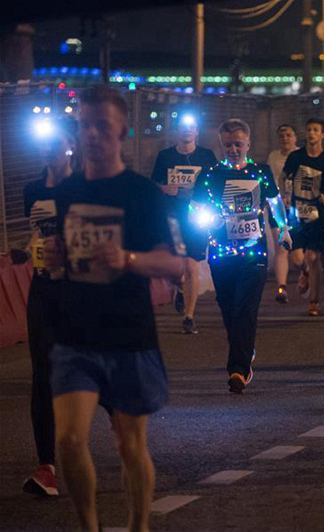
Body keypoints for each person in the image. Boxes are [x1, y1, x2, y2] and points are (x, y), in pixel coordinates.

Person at [43, 85, 185, 531]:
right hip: (75, 335)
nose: (92, 135)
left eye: (101, 126)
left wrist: (128, 259)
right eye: (84, 126)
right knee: (68, 438)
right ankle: (90, 526)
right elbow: (56, 257)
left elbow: (175, 263)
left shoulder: (142, 193)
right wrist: (54, 260)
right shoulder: (65, 192)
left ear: (122, 129)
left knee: (129, 444)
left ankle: (139, 523)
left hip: (128, 335)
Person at [198, 118, 291, 393]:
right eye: (228, 145)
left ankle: (238, 369)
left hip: (254, 253)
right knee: (228, 308)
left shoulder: (259, 172)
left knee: (245, 308)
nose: (233, 149)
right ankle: (245, 348)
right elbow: (194, 208)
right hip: (221, 252)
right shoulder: (211, 175)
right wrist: (206, 221)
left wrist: (284, 229)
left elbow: (275, 204)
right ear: (221, 144)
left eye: (238, 144)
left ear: (248, 143)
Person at [22, 116, 78, 497]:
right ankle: (47, 468)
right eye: (43, 144)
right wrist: (24, 252)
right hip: (43, 289)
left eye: (54, 143)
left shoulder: (85, 187)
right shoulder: (31, 189)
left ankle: (125, 425)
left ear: (69, 147)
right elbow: (35, 236)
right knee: (42, 374)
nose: (48, 150)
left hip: (80, 292)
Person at [150, 114, 217, 334]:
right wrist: (164, 189)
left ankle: (189, 316)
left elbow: (216, 185)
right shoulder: (165, 156)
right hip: (171, 218)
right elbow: (154, 185)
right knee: (174, 268)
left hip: (196, 219)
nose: (187, 131)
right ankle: (179, 288)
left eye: (191, 127)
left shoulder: (207, 157)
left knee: (191, 265)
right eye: (183, 127)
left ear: (197, 131)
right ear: (177, 132)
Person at [281, 118, 324, 316]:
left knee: (313, 257)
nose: (312, 133)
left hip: (318, 214)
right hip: (296, 213)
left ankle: (314, 301)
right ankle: (304, 273)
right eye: (309, 130)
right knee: (298, 258)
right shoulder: (296, 157)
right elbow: (284, 177)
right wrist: (285, 195)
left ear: (322, 134)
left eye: (316, 130)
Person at [267, 124, 298, 303]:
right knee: (281, 247)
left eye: (288, 135)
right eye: (281, 136)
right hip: (277, 208)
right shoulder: (273, 156)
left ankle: (306, 271)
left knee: (298, 252)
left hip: (298, 207)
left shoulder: (301, 155)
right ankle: (282, 287)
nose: (285, 138)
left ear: (295, 137)